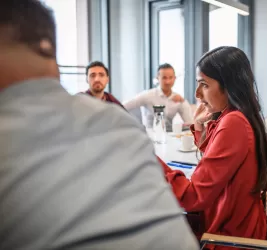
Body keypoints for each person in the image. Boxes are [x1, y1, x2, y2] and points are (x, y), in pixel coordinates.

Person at [0, 1, 198, 249]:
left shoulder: (117, 112)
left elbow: (189, 122)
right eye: (92, 75)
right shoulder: (121, 119)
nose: (97, 79)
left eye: (100, 74)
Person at [158, 47, 267, 249]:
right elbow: (216, 155)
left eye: (204, 85)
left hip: (229, 234)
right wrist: (200, 125)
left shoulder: (234, 123)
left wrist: (150, 161)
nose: (197, 94)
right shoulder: (237, 116)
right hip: (237, 221)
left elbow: (193, 197)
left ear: (229, 87)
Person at [124, 63, 193, 131]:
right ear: (158, 78)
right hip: (149, 135)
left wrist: (184, 102)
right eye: (164, 78)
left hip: (170, 136)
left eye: (170, 77)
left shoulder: (178, 99)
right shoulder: (147, 95)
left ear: (175, 78)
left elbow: (190, 123)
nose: (168, 82)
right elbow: (123, 106)